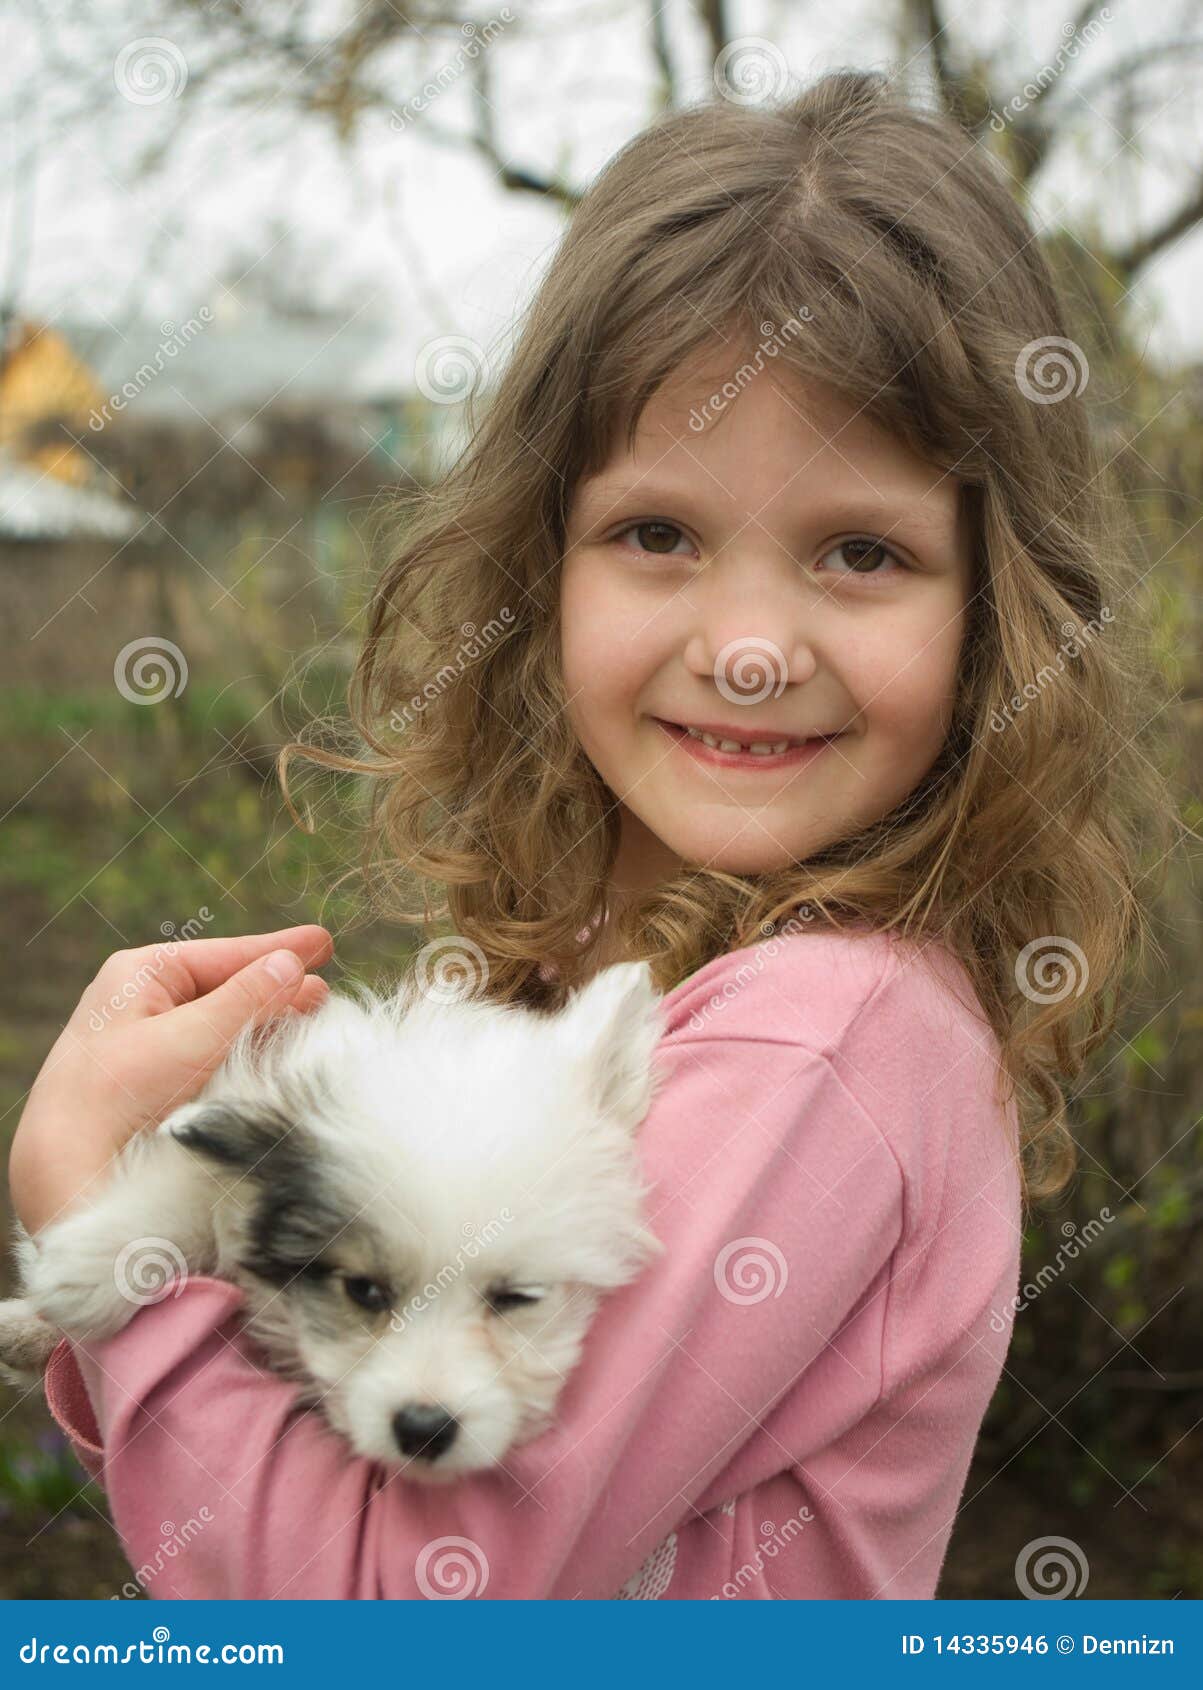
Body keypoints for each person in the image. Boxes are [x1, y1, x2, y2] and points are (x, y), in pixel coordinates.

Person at [8, 69, 1175, 1599]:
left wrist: (104, 1231)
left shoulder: (823, 1041)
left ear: (997, 610)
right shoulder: (614, 977)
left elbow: (384, 1608)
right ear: (540, 563)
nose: (750, 645)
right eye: (659, 534)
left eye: (861, 550)